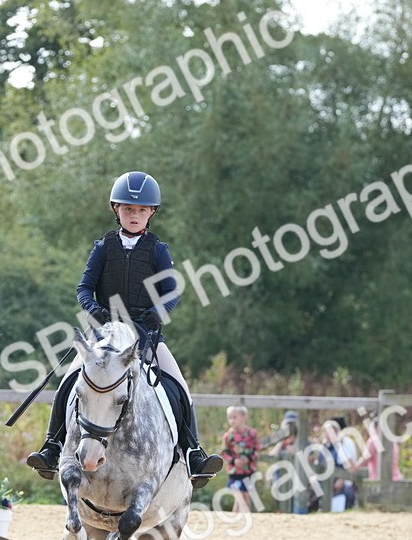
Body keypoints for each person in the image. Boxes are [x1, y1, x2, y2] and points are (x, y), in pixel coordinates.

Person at [26, 171, 223, 487]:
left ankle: (193, 453)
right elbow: (84, 288)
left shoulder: (158, 250)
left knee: (179, 385)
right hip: (104, 335)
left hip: (145, 334)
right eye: (129, 209)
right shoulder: (104, 246)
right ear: (116, 210)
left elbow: (172, 291)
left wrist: (154, 317)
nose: (135, 215)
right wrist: (97, 313)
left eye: (141, 210)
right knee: (68, 382)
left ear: (151, 213)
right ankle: (52, 446)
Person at [221, 405, 262, 513]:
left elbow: (257, 450)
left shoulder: (252, 434)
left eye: (235, 417)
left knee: (246, 496)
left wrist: (248, 459)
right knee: (238, 496)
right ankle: (238, 519)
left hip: (248, 471)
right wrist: (234, 461)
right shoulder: (228, 436)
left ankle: (245, 519)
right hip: (234, 471)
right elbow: (224, 452)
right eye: (230, 418)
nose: (232, 420)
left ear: (244, 417)